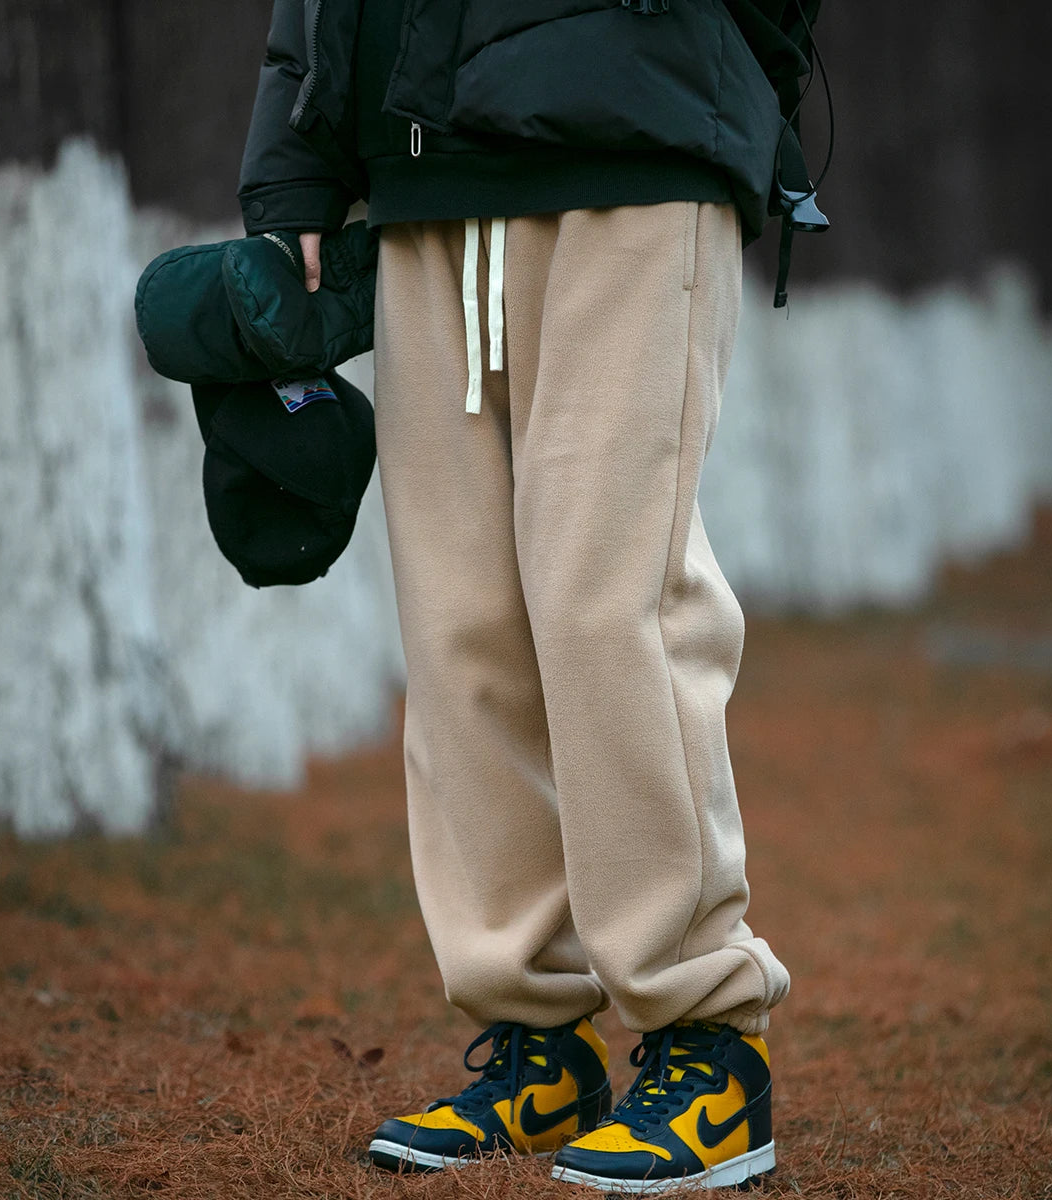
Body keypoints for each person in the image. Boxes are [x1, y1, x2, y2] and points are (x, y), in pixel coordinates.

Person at [239, 0, 817, 1191]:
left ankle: (709, 1039)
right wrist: (293, 163)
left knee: (609, 603)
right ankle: (537, 1042)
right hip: (420, 164)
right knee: (463, 629)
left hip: (632, 135)